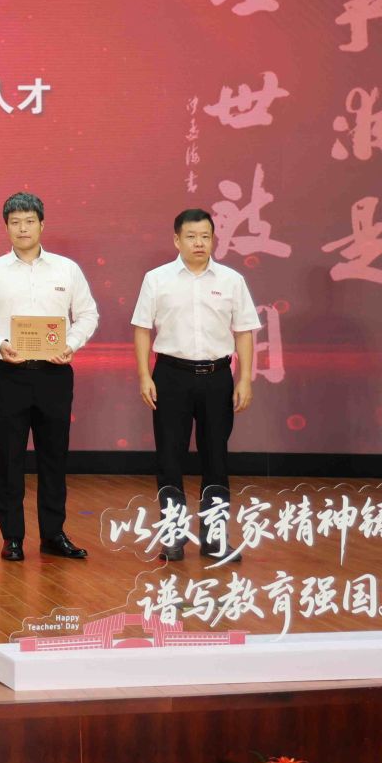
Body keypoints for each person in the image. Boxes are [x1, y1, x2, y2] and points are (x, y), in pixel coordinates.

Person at [0, 191, 99, 562]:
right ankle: (12, 537)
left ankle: (53, 534)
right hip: (10, 373)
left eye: (29, 221)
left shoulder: (66, 270)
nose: (23, 228)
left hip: (55, 374)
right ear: (6, 227)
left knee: (54, 457)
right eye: (15, 222)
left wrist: (71, 344)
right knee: (9, 458)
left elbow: (88, 314)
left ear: (42, 224)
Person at [132, 208, 260, 564]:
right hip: (170, 376)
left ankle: (215, 539)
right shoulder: (156, 279)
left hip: (217, 377)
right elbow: (142, 328)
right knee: (169, 458)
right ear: (177, 240)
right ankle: (172, 538)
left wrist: (244, 378)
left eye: (205, 236)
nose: (199, 243)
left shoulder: (232, 280)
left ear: (213, 239)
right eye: (191, 236)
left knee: (216, 458)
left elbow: (244, 332)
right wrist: (144, 375)